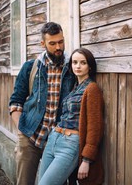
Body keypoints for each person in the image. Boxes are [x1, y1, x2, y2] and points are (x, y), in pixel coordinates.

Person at [8, 22, 76, 185]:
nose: (58, 47)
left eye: (61, 42)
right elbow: (15, 102)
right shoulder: (31, 67)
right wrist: (22, 130)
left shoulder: (72, 68)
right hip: (30, 137)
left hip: (57, 140)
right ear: (43, 44)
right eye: (52, 43)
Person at [38, 48, 104, 185]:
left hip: (71, 143)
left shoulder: (92, 89)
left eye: (83, 63)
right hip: (54, 138)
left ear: (90, 66)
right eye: (74, 62)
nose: (78, 66)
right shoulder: (74, 86)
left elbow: (95, 127)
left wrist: (86, 160)